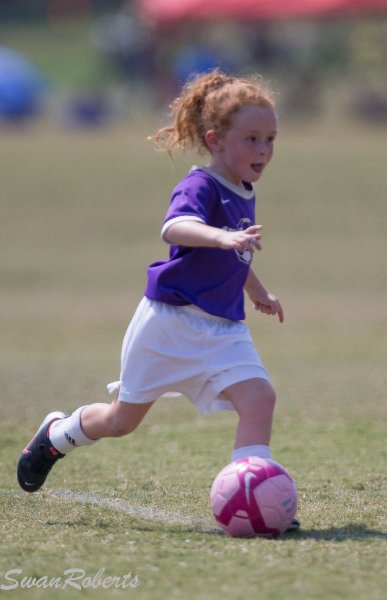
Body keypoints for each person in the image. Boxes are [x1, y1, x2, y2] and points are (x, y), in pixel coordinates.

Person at [16, 70, 298, 530]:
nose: (264, 150)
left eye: (270, 139)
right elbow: (175, 229)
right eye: (252, 139)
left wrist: (258, 291)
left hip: (223, 328)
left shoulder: (246, 189)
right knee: (120, 421)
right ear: (216, 139)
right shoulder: (201, 185)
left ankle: (256, 491)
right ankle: (57, 435)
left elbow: (235, 253)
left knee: (259, 398)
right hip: (168, 322)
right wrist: (222, 237)